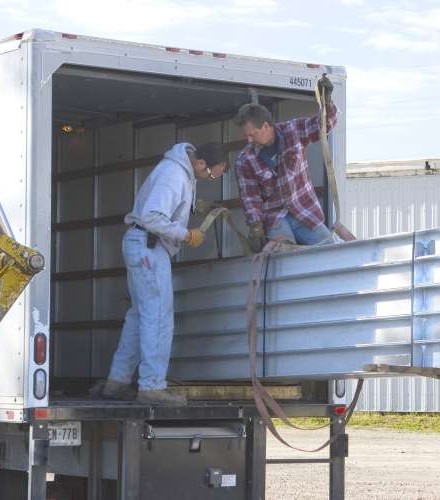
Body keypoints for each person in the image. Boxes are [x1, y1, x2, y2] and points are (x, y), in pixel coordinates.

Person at [101, 142, 228, 406]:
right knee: (158, 316)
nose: (209, 179)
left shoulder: (179, 171)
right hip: (149, 246)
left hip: (142, 244)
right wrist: (186, 234)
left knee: (140, 316)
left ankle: (117, 381)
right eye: (212, 175)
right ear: (200, 163)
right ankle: (152, 387)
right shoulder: (174, 175)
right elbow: (152, 216)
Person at [234, 75, 336, 252]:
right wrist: (256, 227)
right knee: (282, 257)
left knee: (330, 252)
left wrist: (326, 101)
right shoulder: (245, 160)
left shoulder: (294, 131)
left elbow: (323, 125)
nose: (248, 140)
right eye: (246, 136)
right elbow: (250, 198)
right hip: (275, 219)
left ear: (266, 126)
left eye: (252, 134)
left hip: (305, 212)